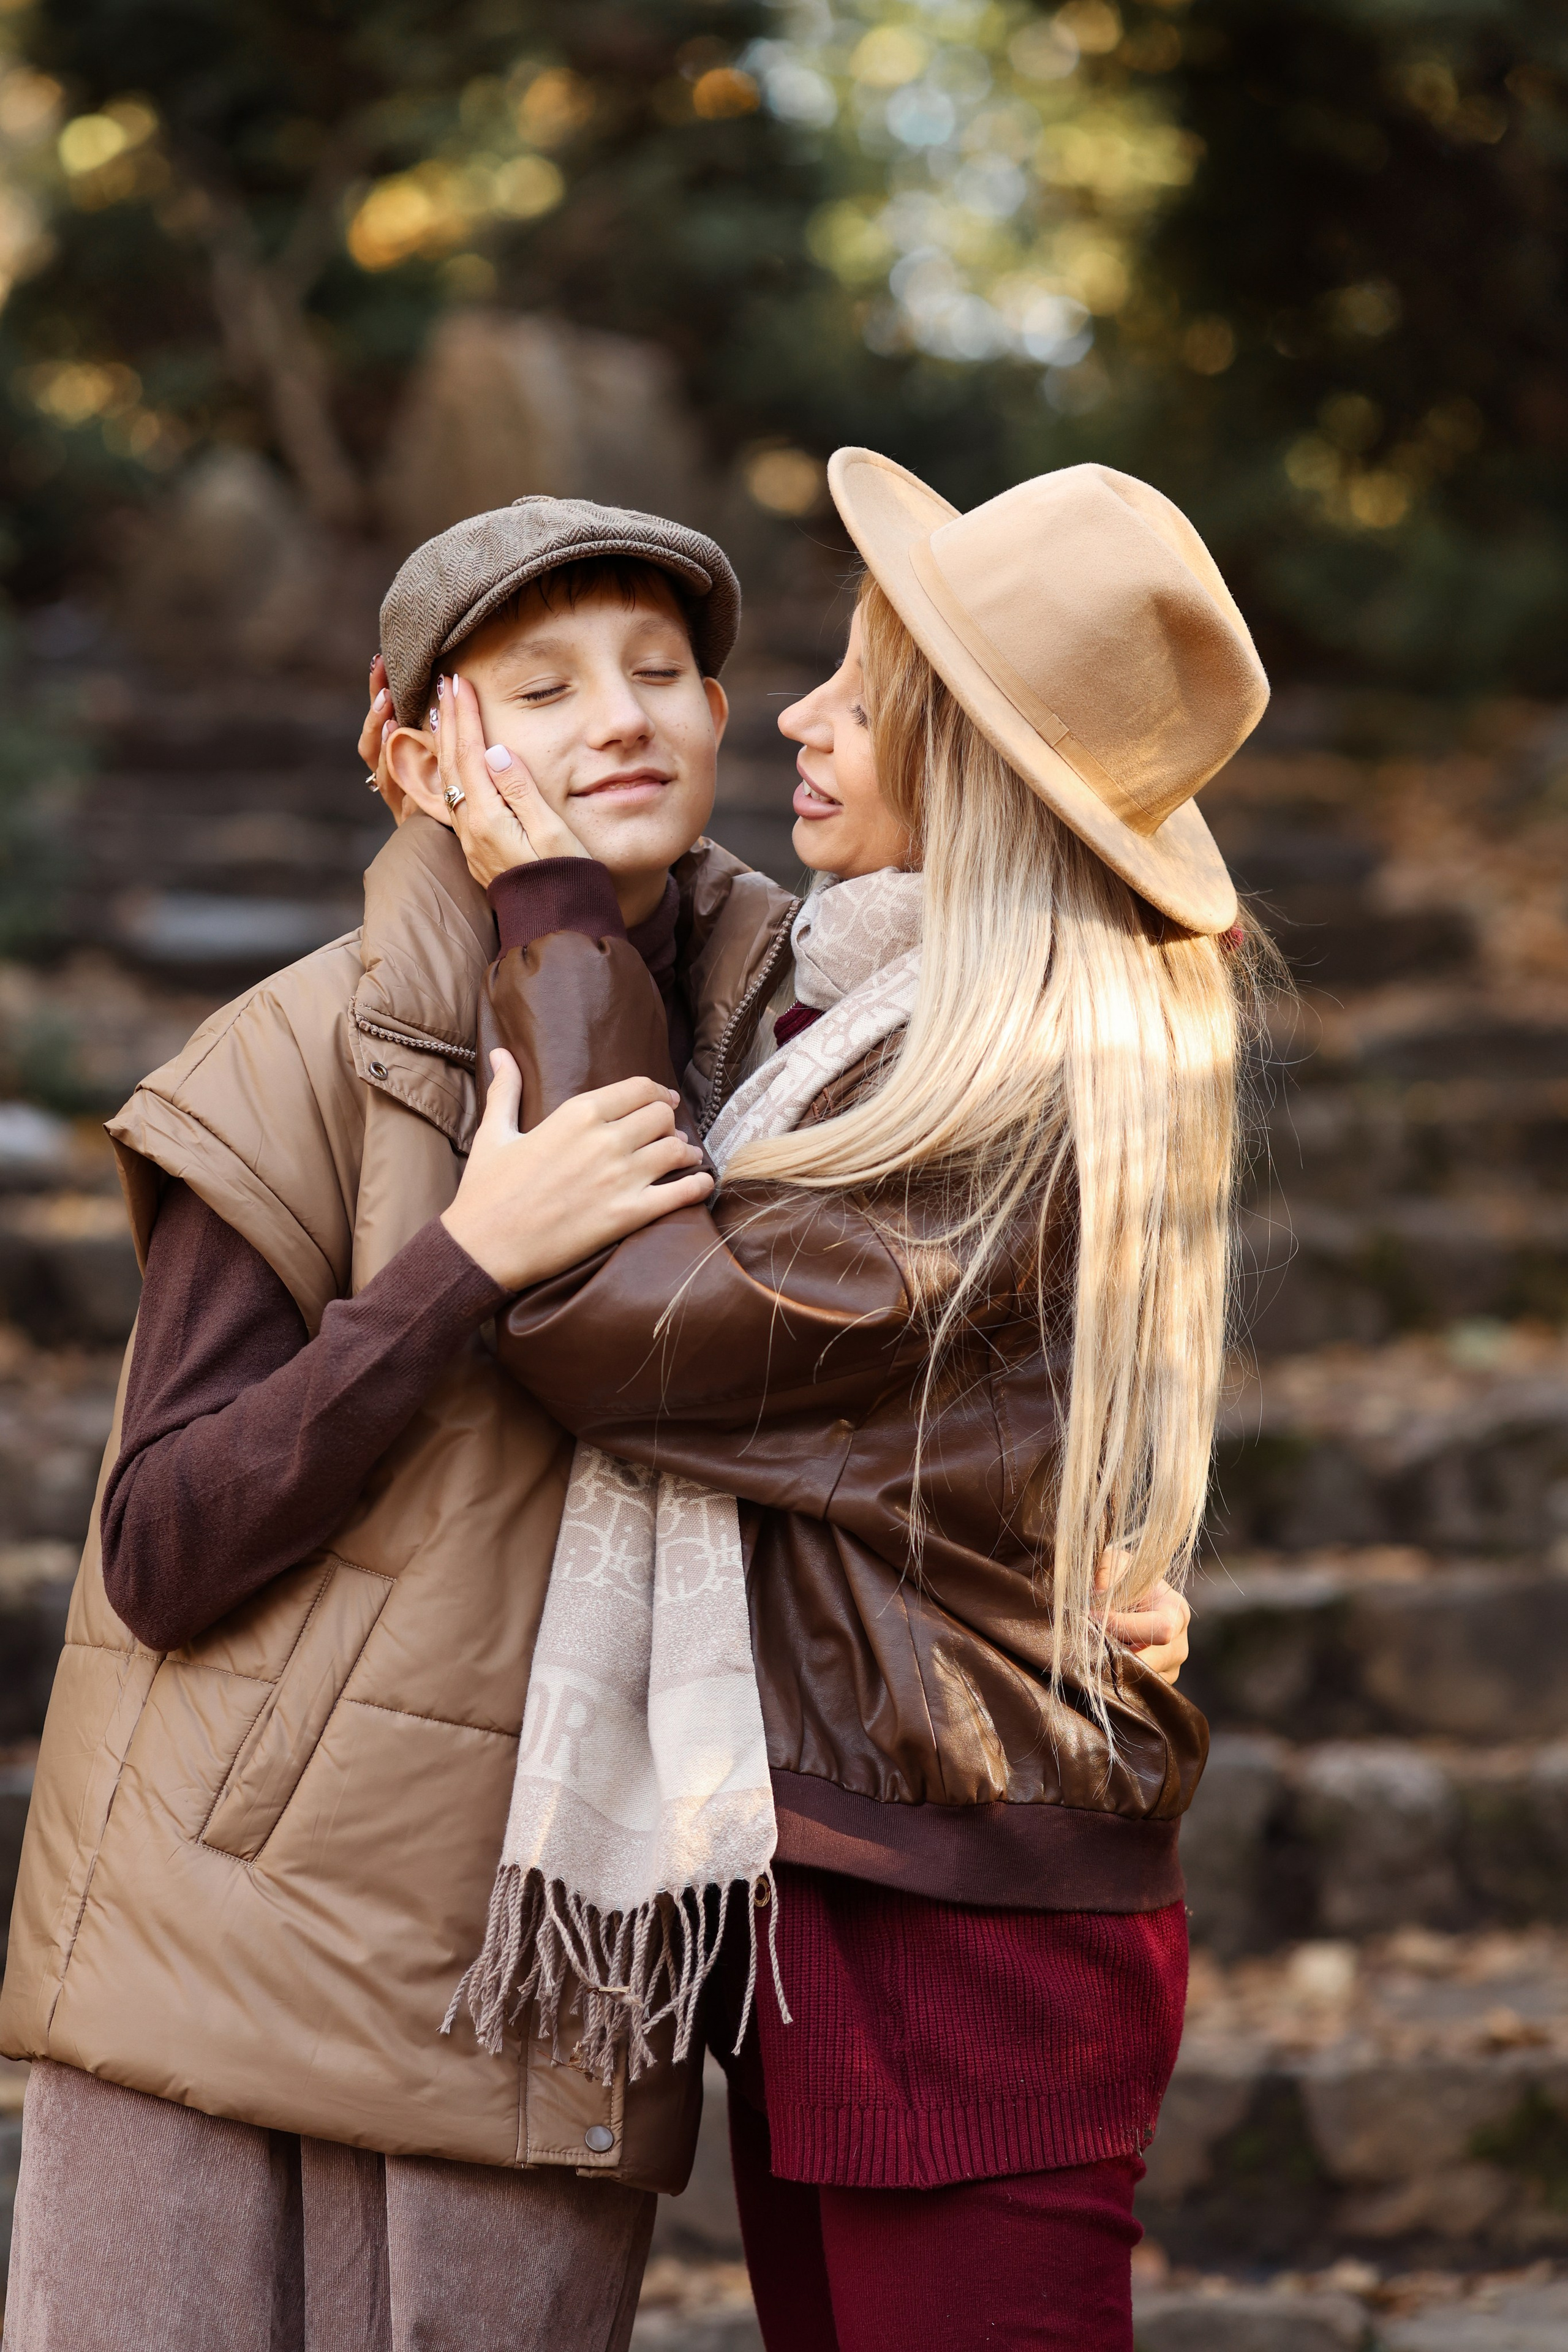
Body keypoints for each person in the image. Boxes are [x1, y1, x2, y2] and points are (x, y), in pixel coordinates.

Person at [416, 449, 1272, 2352]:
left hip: (965, 1918)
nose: (795, 714)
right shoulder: (858, 1009)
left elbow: (607, 1322)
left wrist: (554, 907)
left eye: (866, 689)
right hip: (861, 1872)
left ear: (964, 758)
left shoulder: (1014, 1084)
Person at [0, 497, 796, 2351]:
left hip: (539, 1967)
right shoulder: (291, 1059)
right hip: (222, 1958)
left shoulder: (788, 1050)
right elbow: (166, 1541)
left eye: (663, 674)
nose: (623, 718)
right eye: (545, 686)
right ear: (410, 747)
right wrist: (461, 1262)